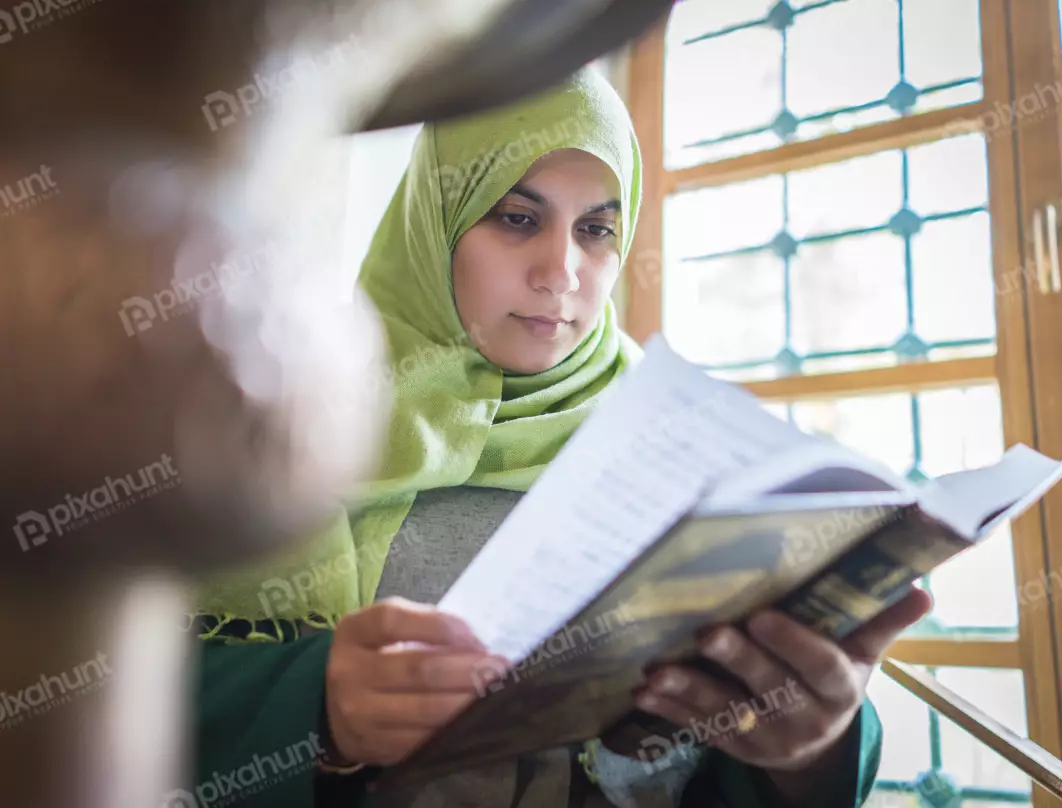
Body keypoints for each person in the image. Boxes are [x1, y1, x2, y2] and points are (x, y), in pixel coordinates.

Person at [185, 67, 933, 808]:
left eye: (597, 229)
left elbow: (751, 732)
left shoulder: (690, 451)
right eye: (517, 218)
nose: (562, 271)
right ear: (433, 221)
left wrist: (813, 749)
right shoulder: (287, 424)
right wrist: (315, 709)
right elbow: (127, 699)